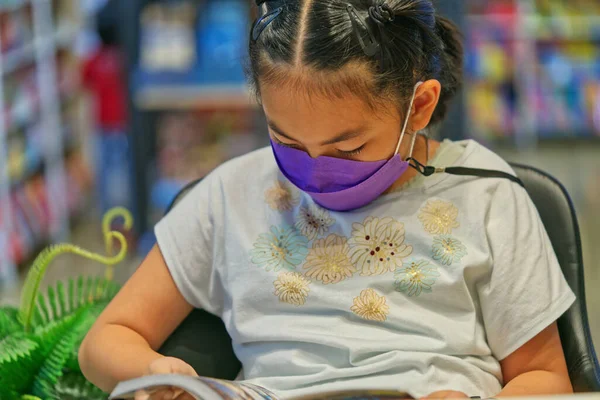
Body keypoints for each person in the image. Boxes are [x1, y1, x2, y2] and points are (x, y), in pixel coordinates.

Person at [79, 1, 576, 399]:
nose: (315, 174)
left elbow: (546, 378)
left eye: (348, 148)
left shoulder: (485, 194)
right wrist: (155, 371)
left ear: (419, 106)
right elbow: (104, 341)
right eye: (288, 143)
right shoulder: (229, 195)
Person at [82, 0, 131, 214]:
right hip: (124, 123)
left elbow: (84, 83)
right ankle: (126, 212)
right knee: (125, 171)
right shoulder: (126, 58)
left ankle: (105, 212)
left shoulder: (93, 60)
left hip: (102, 124)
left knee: (105, 171)